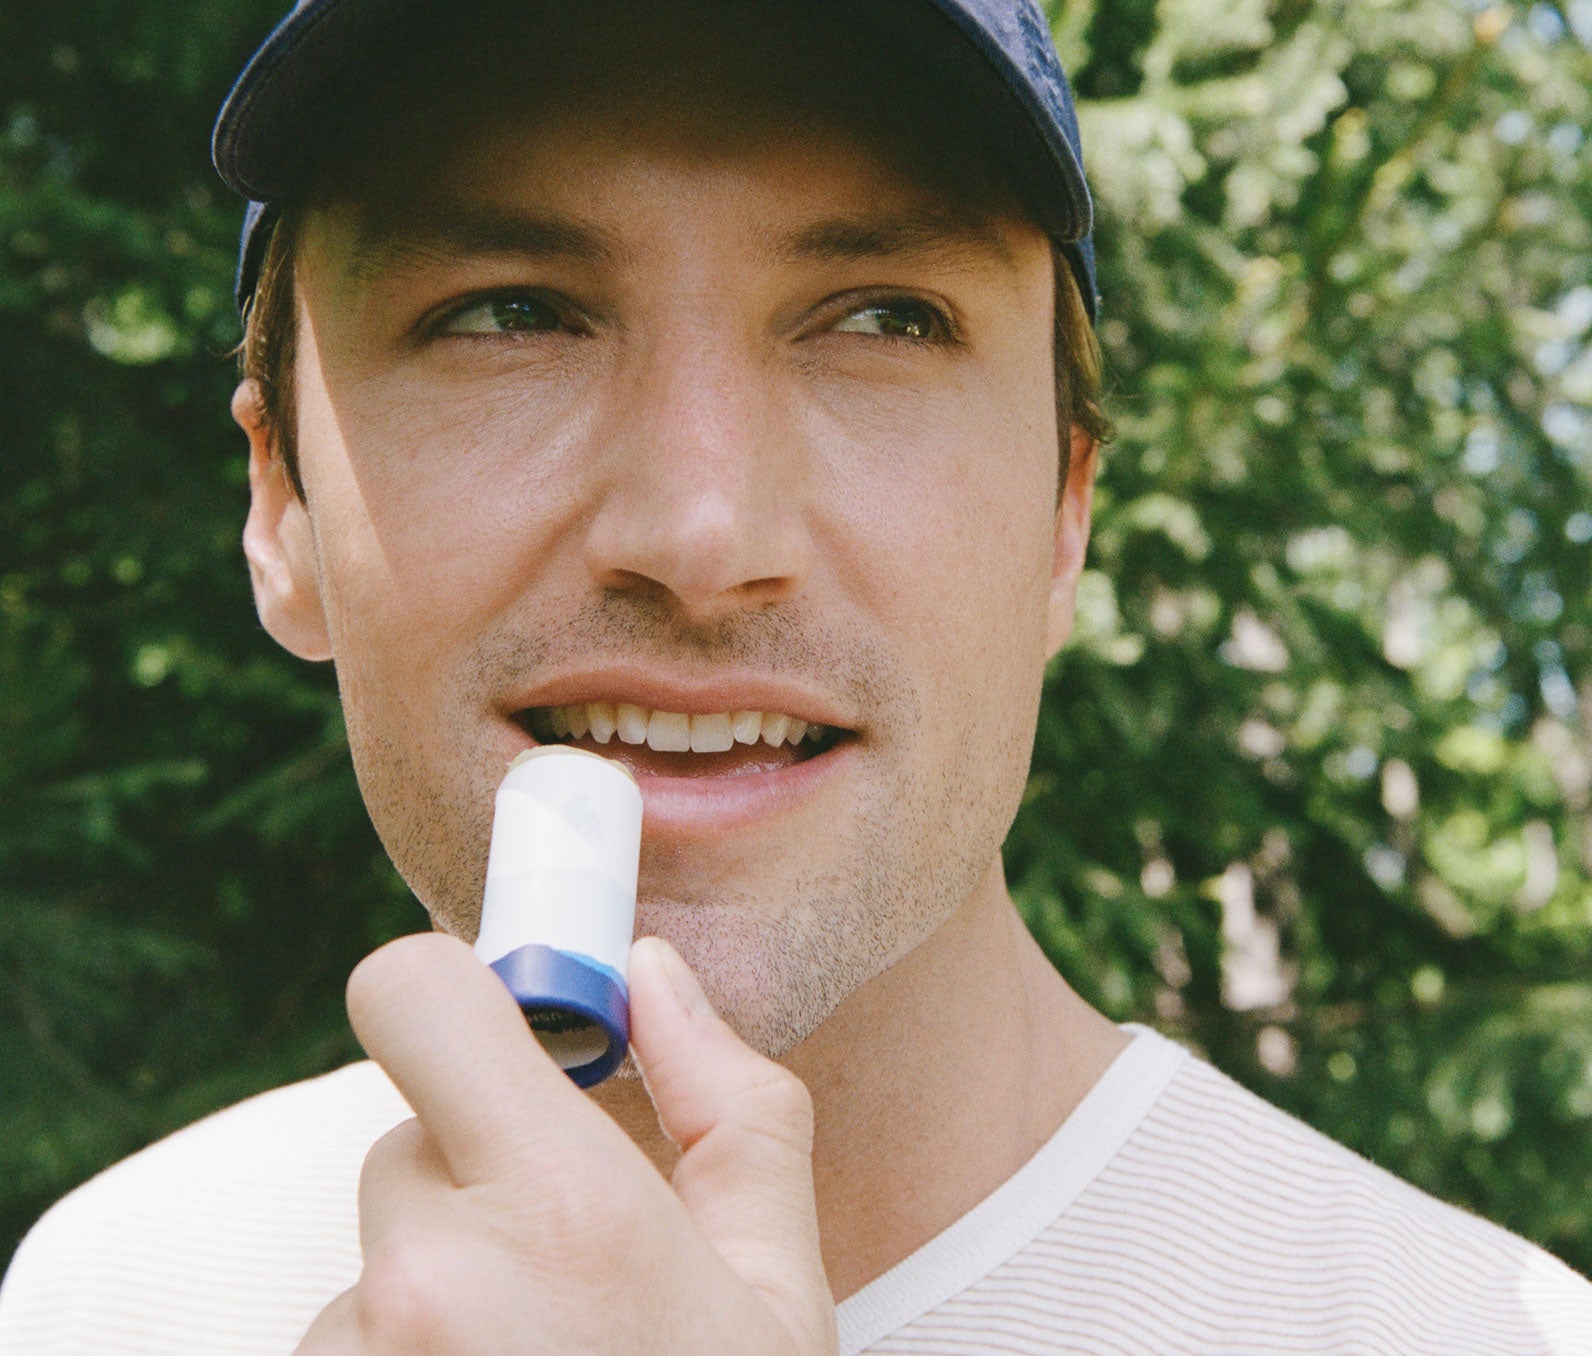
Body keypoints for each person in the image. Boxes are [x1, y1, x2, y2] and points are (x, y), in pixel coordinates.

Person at [1, 0, 1589, 1351]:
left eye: (886, 319)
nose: (702, 534)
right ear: (280, 507)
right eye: (508, 313)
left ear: (1064, 513)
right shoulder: (106, 1301)